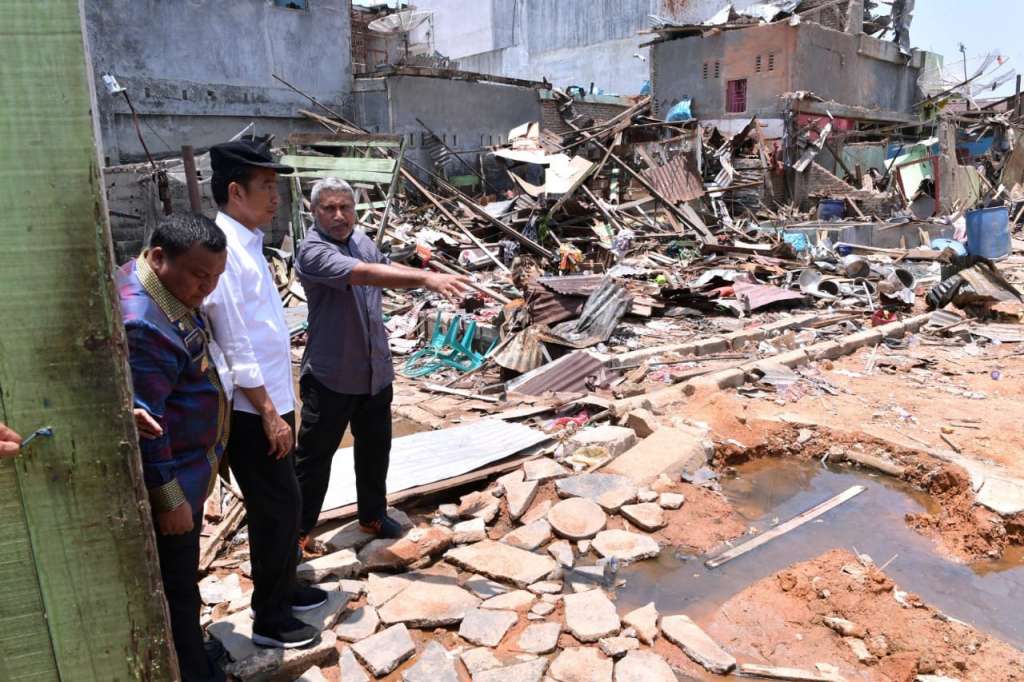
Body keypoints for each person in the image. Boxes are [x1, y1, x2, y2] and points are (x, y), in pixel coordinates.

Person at [293, 177, 470, 544]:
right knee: (314, 460)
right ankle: (297, 533)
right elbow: (363, 274)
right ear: (313, 212)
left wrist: (427, 272)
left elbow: (383, 264)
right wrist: (426, 279)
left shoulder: (361, 240)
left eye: (346, 207)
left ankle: (372, 516)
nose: (339, 215)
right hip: (331, 374)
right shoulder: (312, 251)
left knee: (375, 451)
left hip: (374, 370)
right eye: (329, 208)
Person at [203, 139, 323, 649]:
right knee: (273, 508)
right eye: (266, 187)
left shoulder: (249, 242)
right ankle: (271, 620)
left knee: (286, 502)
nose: (277, 198)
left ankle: (287, 586)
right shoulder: (220, 250)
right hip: (255, 409)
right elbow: (235, 343)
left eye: (277, 187)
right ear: (235, 191)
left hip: (275, 398)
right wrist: (272, 414)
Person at [118, 213, 230, 682]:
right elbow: (147, 425)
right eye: (200, 276)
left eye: (215, 278)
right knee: (177, 584)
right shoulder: (144, 325)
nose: (207, 288)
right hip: (175, 482)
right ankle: (192, 671)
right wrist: (170, 499)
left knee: (182, 581)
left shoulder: (156, 287)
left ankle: (191, 651)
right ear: (160, 258)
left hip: (190, 470)